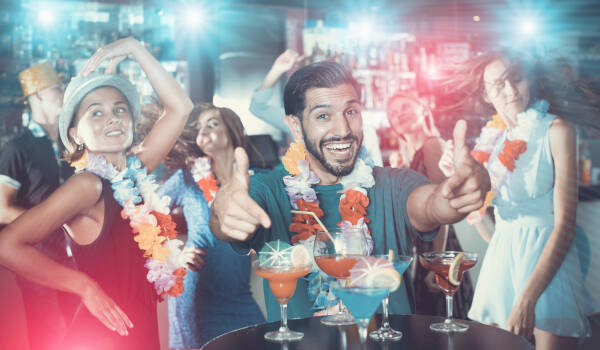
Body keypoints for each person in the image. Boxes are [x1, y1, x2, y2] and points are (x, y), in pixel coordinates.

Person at [209, 61, 491, 321]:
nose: (343, 129)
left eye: (351, 112)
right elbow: (227, 216)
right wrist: (223, 211)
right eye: (323, 116)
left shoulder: (393, 184)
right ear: (295, 126)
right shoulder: (269, 189)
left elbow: (432, 205)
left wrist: (454, 197)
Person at [0, 37, 193, 350]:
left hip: (139, 329)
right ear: (76, 134)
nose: (112, 117)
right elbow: (7, 245)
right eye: (96, 113)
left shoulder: (133, 172)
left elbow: (180, 108)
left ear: (131, 121)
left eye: (120, 110)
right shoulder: (87, 185)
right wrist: (83, 286)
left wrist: (135, 49)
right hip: (104, 335)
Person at [438, 49, 598, 349]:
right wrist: (456, 178)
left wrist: (527, 298)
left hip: (549, 267)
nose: (510, 91)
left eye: (517, 79)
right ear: (486, 94)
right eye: (498, 84)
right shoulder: (492, 142)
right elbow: (491, 230)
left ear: (529, 78)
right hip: (502, 264)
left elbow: (565, 226)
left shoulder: (558, 130)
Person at [157, 103, 265, 349]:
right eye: (198, 128)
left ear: (232, 131)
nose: (203, 132)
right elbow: (144, 214)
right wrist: (173, 254)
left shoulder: (255, 180)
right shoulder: (186, 179)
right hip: (196, 295)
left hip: (239, 294)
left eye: (212, 124)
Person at [0, 61, 76, 350]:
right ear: (38, 95)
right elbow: (2, 209)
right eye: (57, 88)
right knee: (45, 334)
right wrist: (51, 220)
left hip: (77, 257)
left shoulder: (72, 143)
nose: (64, 92)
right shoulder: (18, 148)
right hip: (37, 260)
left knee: (80, 329)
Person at [386, 92, 474, 319]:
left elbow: (440, 207)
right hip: (421, 251)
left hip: (436, 248)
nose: (400, 115)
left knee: (439, 325)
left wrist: (439, 260)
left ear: (423, 108)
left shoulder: (432, 146)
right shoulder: (409, 156)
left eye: (405, 106)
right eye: (393, 113)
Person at [250, 49, 383, 166]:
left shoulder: (365, 131)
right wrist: (277, 70)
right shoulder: (300, 121)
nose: (342, 131)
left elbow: (377, 175)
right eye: (322, 116)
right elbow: (258, 108)